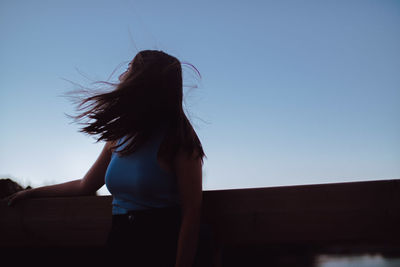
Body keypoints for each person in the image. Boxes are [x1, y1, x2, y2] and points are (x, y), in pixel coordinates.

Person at [5, 50, 206, 267]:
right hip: (120, 243)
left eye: (129, 69)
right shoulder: (118, 136)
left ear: (144, 80)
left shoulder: (179, 138)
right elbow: (84, 185)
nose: (121, 76)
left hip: (162, 246)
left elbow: (192, 214)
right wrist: (31, 193)